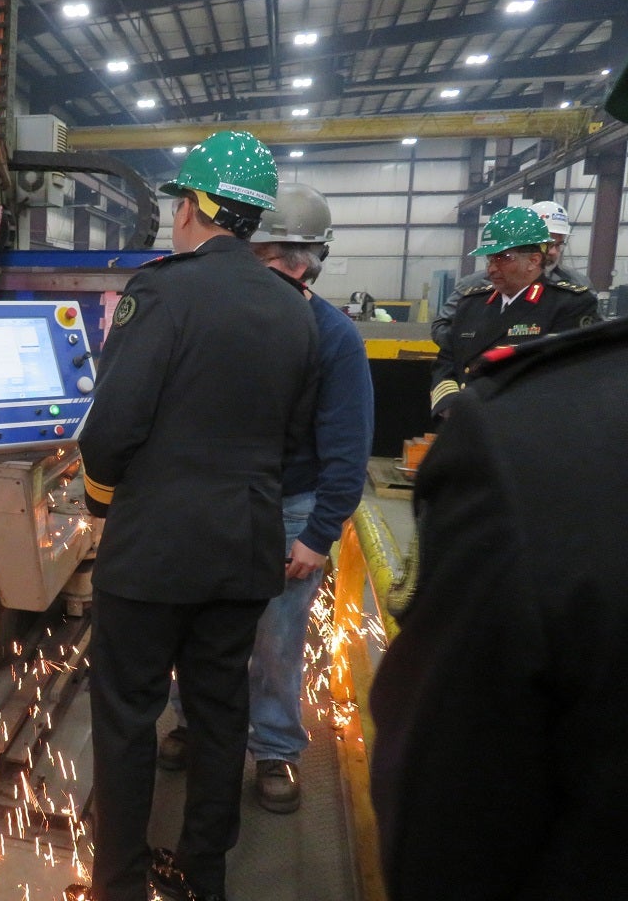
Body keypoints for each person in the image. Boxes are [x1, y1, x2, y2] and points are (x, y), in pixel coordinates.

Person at [74, 131, 318, 901]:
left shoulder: (162, 292)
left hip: (153, 553)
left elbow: (110, 430)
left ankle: (119, 882)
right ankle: (202, 876)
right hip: (245, 546)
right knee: (220, 713)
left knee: (127, 717)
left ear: (192, 209)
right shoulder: (295, 311)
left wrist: (100, 498)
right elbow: (293, 437)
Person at [370, 314, 628, 899]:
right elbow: (445, 365)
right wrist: (448, 404)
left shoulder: (528, 431)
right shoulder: (474, 314)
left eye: (508, 263)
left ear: (538, 265)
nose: (496, 269)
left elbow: (445, 788)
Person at [158, 184, 375, 813]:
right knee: (197, 625)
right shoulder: (218, 323)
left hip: (289, 509)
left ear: (304, 263)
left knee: (276, 639)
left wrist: (318, 533)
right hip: (214, 503)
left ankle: (276, 745)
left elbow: (347, 447)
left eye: (265, 257)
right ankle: (191, 719)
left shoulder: (332, 337)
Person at [429, 204, 597, 417]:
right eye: (490, 258)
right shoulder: (470, 304)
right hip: (467, 423)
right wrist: (450, 406)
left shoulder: (570, 305)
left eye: (504, 258)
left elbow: (568, 376)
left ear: (533, 261)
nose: (491, 268)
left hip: (526, 424)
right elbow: (446, 362)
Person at [430, 198, 589, 348]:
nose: (553, 252)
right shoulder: (474, 286)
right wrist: (471, 347)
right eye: (546, 244)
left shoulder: (578, 288)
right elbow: (441, 327)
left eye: (558, 245)